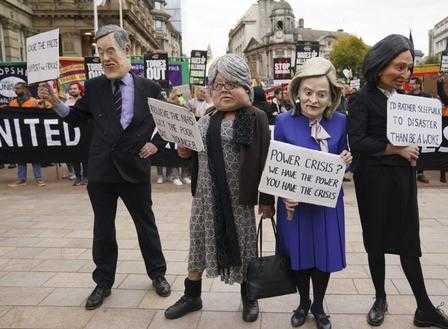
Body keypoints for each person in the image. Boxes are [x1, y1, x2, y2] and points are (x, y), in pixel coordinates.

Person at [38, 24, 171, 310]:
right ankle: (103, 283)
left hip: (134, 170)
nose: (106, 58)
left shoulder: (150, 88)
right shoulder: (95, 87)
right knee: (103, 229)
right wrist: (54, 101)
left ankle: (158, 274)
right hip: (101, 172)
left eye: (111, 50)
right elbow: (75, 118)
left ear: (127, 51)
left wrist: (157, 144)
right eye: (100, 53)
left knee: (146, 225)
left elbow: (171, 123)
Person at [348, 34, 448, 329]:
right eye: (399, 67)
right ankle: (380, 298)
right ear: (380, 63)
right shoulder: (361, 99)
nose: (405, 74)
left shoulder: (405, 101)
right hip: (373, 181)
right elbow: (358, 141)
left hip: (402, 179)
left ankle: (424, 307)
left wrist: (415, 147)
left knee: (409, 243)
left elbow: (412, 139)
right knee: (375, 241)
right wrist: (396, 149)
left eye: (408, 68)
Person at [164, 54, 275, 323]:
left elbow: (264, 159)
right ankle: (192, 296)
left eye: (231, 84)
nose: (223, 90)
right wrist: (184, 151)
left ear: (245, 88)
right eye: (217, 85)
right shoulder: (205, 119)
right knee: (198, 244)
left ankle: (249, 296)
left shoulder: (255, 117)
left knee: (245, 246)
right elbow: (190, 153)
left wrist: (267, 200)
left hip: (240, 200)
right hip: (205, 198)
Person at [274, 57, 352, 329]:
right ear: (297, 93)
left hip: (326, 205)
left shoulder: (341, 123)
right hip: (293, 206)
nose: (313, 100)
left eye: (322, 94)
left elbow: (343, 162)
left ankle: (318, 305)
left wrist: (345, 160)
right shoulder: (283, 123)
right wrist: (285, 195)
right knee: (298, 256)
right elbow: (277, 166)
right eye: (307, 93)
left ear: (332, 98)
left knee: (323, 256)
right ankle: (303, 302)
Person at [7, 82, 46, 187]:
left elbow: (42, 114)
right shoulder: (12, 103)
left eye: (18, 88)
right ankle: (21, 179)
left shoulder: (33, 101)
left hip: (32, 133)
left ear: (24, 89)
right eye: (15, 88)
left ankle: (39, 178)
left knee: (35, 156)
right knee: (20, 156)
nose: (16, 90)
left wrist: (42, 105)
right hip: (18, 134)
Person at [408, 79, 431, 184]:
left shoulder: (426, 96)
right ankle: (410, 172)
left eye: (415, 84)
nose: (413, 85)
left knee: (420, 151)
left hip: (422, 128)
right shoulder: (407, 96)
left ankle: (420, 173)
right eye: (411, 84)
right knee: (410, 149)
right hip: (410, 127)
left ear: (419, 85)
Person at [66, 82, 89, 186]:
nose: (72, 90)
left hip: (84, 131)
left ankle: (85, 176)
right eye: (71, 89)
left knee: (84, 155)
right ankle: (77, 177)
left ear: (80, 90)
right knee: (74, 156)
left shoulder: (84, 101)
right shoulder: (67, 102)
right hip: (71, 132)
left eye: (75, 88)